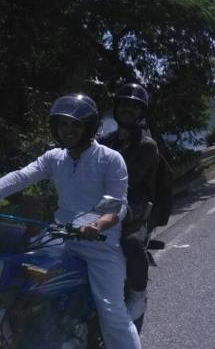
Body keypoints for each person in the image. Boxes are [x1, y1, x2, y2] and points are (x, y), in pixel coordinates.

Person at [0, 94, 141, 349]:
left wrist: (96, 224)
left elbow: (115, 204)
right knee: (13, 277)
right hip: (59, 236)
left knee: (113, 314)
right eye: (63, 124)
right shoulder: (55, 158)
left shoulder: (110, 159)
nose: (68, 130)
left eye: (75, 124)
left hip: (99, 244)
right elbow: (20, 177)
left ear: (89, 126)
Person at [99, 83, 159, 327]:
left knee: (132, 242)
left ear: (141, 112)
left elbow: (126, 181)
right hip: (100, 199)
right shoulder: (106, 139)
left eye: (134, 107)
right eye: (124, 105)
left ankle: (137, 293)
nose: (128, 110)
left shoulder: (146, 145)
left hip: (132, 202)